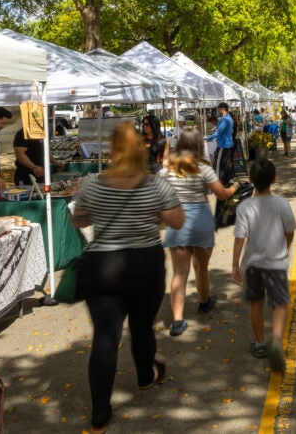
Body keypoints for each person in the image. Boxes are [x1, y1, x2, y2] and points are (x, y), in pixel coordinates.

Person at [69, 122, 185, 434]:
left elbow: (78, 218)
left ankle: (99, 413)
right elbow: (177, 219)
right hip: (144, 263)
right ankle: (146, 377)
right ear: (140, 149)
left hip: (102, 263)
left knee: (105, 337)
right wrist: (153, 213)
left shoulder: (92, 183)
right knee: (142, 326)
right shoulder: (156, 184)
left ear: (112, 151)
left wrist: (100, 213)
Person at [160, 129, 238, 337]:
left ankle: (177, 321)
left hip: (177, 221)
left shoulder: (169, 168)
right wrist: (235, 189)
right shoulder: (203, 167)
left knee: (179, 272)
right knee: (201, 267)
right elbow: (220, 193)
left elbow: (158, 189)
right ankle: (204, 302)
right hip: (201, 220)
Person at [231, 158, 296, 373]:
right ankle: (276, 338)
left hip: (253, 265)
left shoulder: (245, 206)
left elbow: (239, 238)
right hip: (276, 263)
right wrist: (284, 248)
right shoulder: (282, 204)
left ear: (250, 179)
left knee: (256, 303)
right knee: (280, 303)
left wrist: (235, 266)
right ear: (274, 179)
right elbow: (289, 231)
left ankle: (260, 344)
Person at [206, 102, 236, 187]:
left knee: (218, 164)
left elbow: (218, 133)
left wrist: (208, 138)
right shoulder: (229, 118)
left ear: (222, 109)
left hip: (223, 144)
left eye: (219, 109)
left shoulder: (225, 119)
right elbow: (227, 130)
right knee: (225, 164)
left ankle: (219, 184)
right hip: (228, 144)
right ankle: (226, 182)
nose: (218, 110)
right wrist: (216, 128)